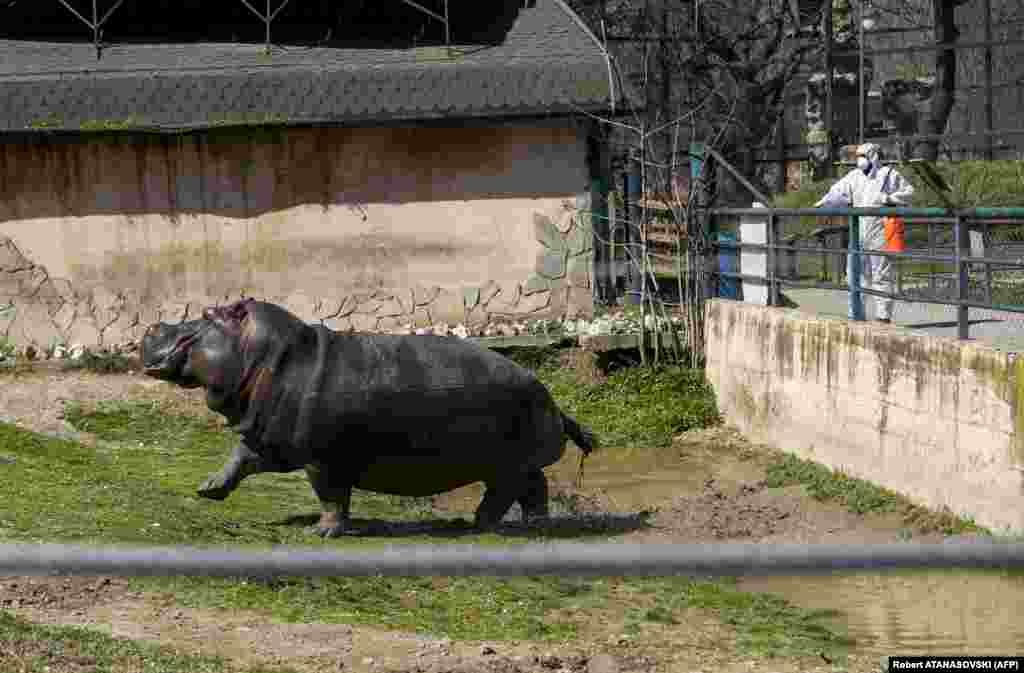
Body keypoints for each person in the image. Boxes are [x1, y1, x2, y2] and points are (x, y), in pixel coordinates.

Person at [815, 142, 915, 323]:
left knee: (881, 274)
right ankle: (856, 313)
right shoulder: (854, 176)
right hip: (859, 228)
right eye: (858, 156)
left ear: (874, 157)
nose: (859, 159)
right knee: (854, 272)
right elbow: (837, 192)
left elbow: (909, 193)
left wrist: (888, 198)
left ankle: (883, 316)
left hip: (879, 229)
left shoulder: (889, 175)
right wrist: (826, 202)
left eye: (863, 155)